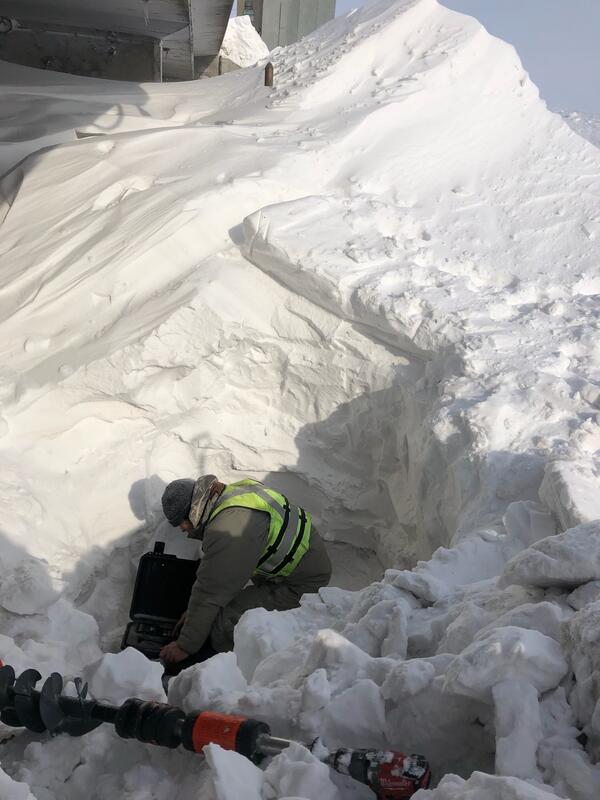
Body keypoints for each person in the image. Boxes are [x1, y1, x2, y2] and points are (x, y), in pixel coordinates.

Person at [159, 474, 332, 673]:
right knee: (219, 610)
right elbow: (219, 577)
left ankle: (223, 672)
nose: (182, 528)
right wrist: (193, 614)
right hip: (294, 569)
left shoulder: (229, 527)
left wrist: (185, 646)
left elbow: (210, 592)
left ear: (194, 508)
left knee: (226, 622)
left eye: (182, 520)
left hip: (302, 585)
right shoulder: (235, 494)